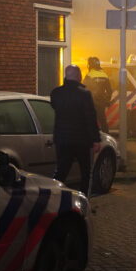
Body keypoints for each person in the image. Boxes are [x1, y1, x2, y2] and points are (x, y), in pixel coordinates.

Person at [51, 65, 101, 195]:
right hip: (82, 141)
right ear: (79, 77)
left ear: (66, 76)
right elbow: (90, 117)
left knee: (61, 171)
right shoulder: (85, 94)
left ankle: (55, 197)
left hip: (62, 140)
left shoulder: (56, 93)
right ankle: (83, 199)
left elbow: (55, 107)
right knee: (85, 173)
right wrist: (96, 139)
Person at [82, 56, 113, 132]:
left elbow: (84, 89)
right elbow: (110, 91)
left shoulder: (89, 75)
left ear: (90, 65)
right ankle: (106, 137)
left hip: (91, 103)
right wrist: (107, 101)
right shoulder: (105, 75)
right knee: (103, 121)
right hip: (101, 103)